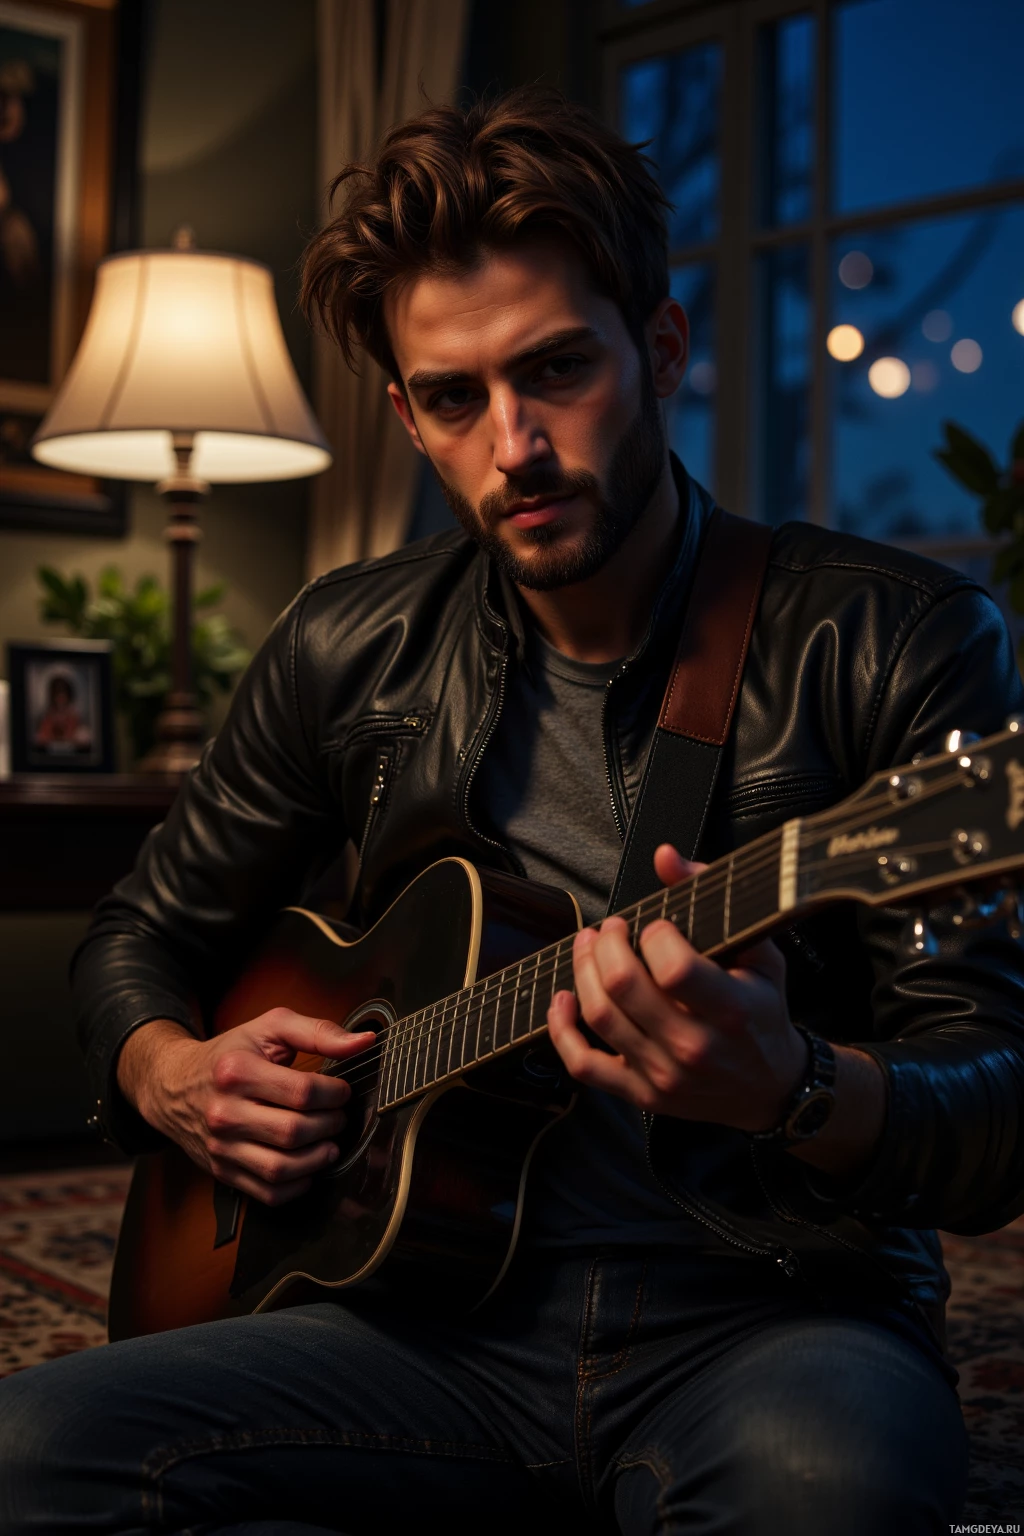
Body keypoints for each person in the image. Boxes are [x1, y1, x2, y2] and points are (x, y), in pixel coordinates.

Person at [1, 87, 1022, 1536]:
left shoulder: (894, 640)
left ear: (658, 348)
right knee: (27, 1449)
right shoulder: (347, 640)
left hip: (769, 1316)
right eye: (455, 398)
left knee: (827, 1493)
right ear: (408, 418)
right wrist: (173, 1074)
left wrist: (793, 1087)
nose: (515, 444)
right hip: (410, 1319)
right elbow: (138, 939)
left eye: (558, 369)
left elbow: (996, 1104)